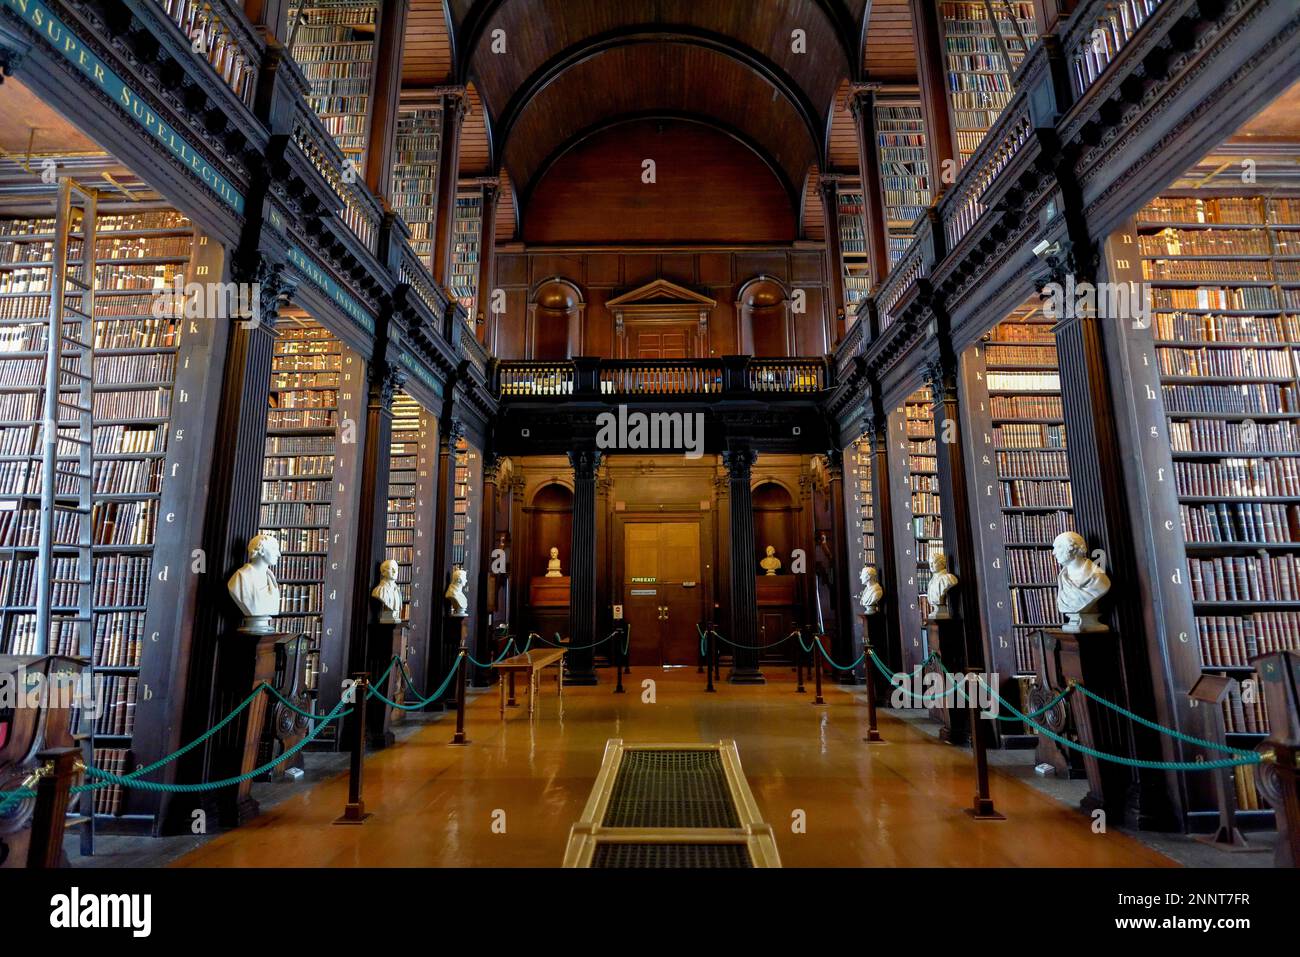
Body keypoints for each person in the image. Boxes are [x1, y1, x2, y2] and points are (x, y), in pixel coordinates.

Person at [1053, 531, 1111, 632]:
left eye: (1058, 547)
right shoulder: (1062, 577)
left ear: (1072, 548)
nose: (1053, 552)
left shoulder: (1098, 577)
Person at [227, 533, 282, 633]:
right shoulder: (241, 577)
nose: (279, 554)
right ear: (261, 550)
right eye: (274, 549)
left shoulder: (271, 577)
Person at [925, 552, 957, 620]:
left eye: (934, 562)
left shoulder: (948, 578)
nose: (931, 565)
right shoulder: (931, 582)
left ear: (942, 563)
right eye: (930, 563)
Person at [372, 559, 403, 624]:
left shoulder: (397, 590)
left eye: (396, 569)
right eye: (391, 569)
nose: (395, 571)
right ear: (383, 572)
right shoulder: (379, 591)